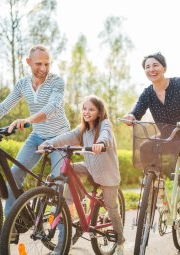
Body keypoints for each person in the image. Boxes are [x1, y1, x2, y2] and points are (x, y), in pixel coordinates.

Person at [0, 45, 70, 217]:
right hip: (37, 136)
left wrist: (28, 120)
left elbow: (53, 107)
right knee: (14, 174)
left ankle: (62, 236)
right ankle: (11, 227)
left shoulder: (57, 82)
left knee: (58, 186)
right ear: (28, 62)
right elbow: (4, 106)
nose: (43, 69)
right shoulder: (22, 84)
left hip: (60, 137)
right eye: (38, 64)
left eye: (47, 64)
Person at [123, 52, 180, 255]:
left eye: (155, 65)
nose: (151, 70)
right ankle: (154, 184)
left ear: (164, 67)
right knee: (144, 147)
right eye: (147, 67)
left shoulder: (179, 84)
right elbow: (137, 110)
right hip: (167, 138)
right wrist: (131, 115)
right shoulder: (148, 92)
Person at [39, 95, 126, 255]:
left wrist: (100, 144)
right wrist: (49, 143)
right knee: (67, 169)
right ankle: (72, 203)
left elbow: (105, 134)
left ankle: (120, 241)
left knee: (112, 208)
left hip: (108, 175)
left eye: (91, 109)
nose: (86, 112)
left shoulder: (104, 124)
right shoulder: (83, 129)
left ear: (99, 113)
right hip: (90, 168)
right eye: (84, 109)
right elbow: (68, 137)